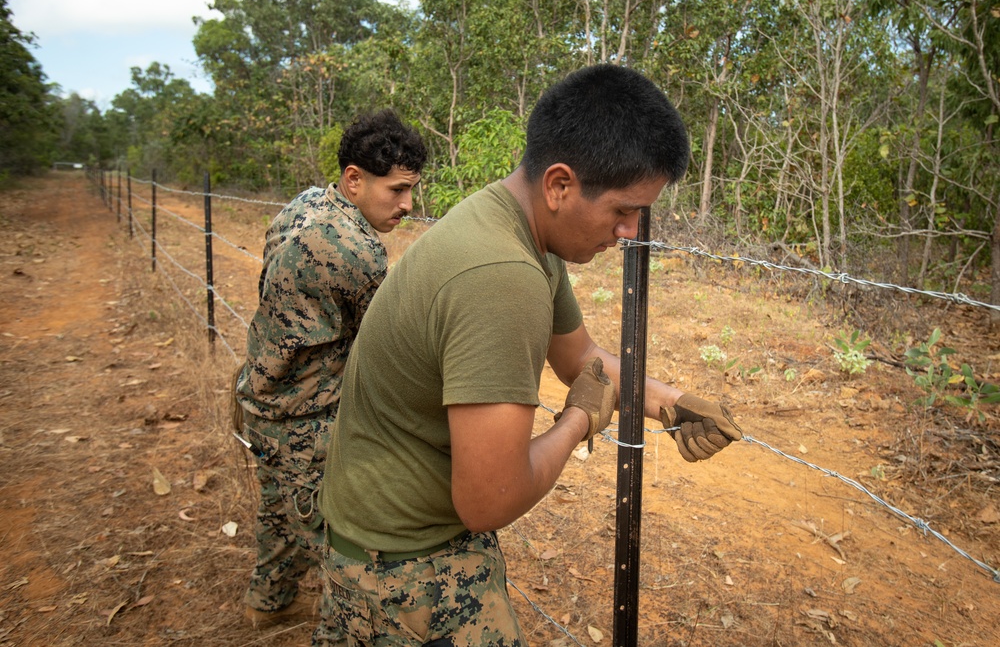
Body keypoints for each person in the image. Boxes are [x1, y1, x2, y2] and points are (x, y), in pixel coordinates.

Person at [316, 65, 743, 645]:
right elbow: (489, 499)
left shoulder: (513, 224)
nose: (629, 231)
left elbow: (580, 359)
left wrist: (670, 402)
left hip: (382, 538)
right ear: (560, 185)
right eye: (622, 210)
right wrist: (579, 421)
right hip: (403, 568)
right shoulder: (502, 275)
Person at [232, 109, 426, 642]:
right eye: (398, 190)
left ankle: (267, 602)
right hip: (306, 420)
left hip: (262, 398)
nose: (408, 205)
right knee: (340, 548)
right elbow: (381, 348)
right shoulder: (357, 251)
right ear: (354, 180)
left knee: (278, 507)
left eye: (412, 190)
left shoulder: (302, 208)